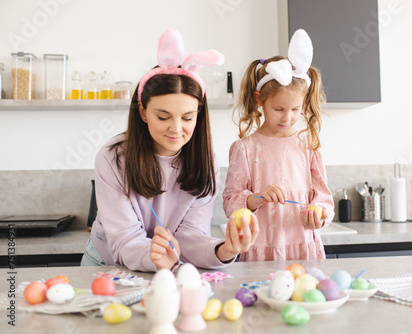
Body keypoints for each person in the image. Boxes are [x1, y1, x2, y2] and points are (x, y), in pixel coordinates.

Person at [81, 29, 259, 272]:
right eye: (163, 116)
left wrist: (224, 250)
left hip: (168, 262)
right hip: (106, 264)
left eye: (187, 117)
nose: (176, 129)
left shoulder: (205, 161)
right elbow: (125, 240)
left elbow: (191, 235)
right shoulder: (113, 158)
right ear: (143, 112)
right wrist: (155, 256)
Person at [223, 29, 334, 262]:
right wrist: (259, 197)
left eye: (295, 110)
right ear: (259, 99)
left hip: (303, 246)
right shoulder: (245, 149)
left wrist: (319, 212)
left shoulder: (309, 146)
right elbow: (231, 202)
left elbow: (324, 198)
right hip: (261, 248)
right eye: (279, 109)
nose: (287, 118)